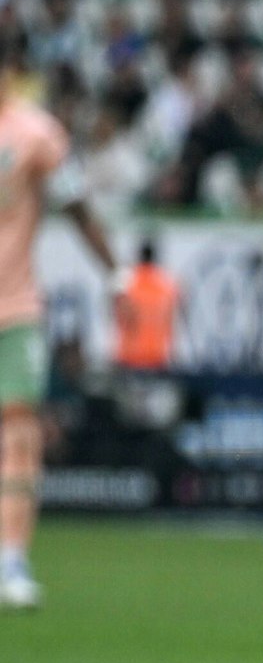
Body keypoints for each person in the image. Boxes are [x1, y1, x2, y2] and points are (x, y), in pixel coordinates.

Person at [0, 41, 117, 609]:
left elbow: (75, 204)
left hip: (15, 307)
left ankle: (11, 559)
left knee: (19, 433)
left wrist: (114, 273)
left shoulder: (35, 133)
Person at [113, 238, 178, 373]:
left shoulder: (125, 282)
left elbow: (116, 315)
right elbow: (171, 320)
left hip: (129, 356)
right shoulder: (167, 284)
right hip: (157, 356)